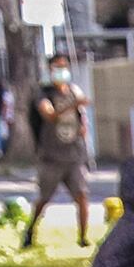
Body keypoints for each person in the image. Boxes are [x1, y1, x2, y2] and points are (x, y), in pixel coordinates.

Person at [25, 52, 93, 247]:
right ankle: (30, 230)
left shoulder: (74, 90)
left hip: (74, 156)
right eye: (58, 67)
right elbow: (50, 115)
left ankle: (83, 237)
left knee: (82, 195)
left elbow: (82, 118)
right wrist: (72, 105)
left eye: (64, 66)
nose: (62, 71)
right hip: (52, 157)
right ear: (50, 70)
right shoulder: (44, 94)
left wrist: (82, 126)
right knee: (44, 198)